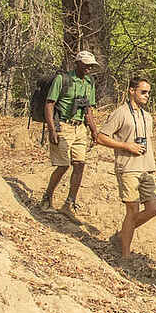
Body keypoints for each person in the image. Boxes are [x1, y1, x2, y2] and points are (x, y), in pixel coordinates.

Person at [40, 50, 102, 222]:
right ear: (78, 63)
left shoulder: (89, 82)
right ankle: (47, 198)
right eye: (86, 64)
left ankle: (69, 203)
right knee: (63, 165)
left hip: (80, 127)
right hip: (63, 125)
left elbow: (88, 109)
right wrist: (52, 129)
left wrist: (93, 131)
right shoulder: (63, 79)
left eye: (91, 65)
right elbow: (49, 104)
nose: (89, 67)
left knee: (80, 164)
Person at [100, 76, 156, 257]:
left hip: (146, 169)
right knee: (132, 210)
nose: (147, 95)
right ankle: (125, 255)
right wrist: (126, 146)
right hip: (128, 168)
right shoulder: (121, 113)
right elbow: (101, 137)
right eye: (143, 92)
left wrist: (153, 168)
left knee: (153, 209)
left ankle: (121, 235)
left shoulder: (147, 116)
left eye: (148, 92)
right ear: (131, 91)